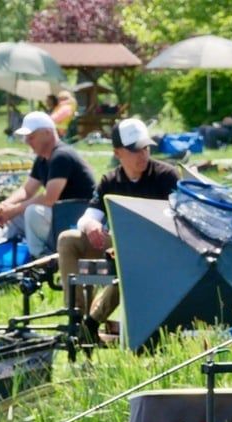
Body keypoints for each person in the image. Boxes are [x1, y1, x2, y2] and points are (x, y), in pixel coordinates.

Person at [57, 118, 179, 343]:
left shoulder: (166, 176)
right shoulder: (110, 181)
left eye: (146, 148)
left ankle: (91, 323)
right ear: (118, 152)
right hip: (121, 243)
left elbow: (179, 219)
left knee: (129, 257)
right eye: (135, 150)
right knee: (67, 239)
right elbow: (89, 216)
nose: (143, 154)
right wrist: (91, 225)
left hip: (158, 247)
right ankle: (75, 316)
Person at [0, 111, 95, 257]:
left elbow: (49, 198)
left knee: (32, 212)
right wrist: (5, 206)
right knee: (15, 214)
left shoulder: (61, 156)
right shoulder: (42, 159)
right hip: (59, 214)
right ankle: (3, 257)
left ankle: (41, 258)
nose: (27, 141)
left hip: (74, 215)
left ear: (47, 133)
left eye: (31, 137)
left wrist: (14, 210)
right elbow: (27, 190)